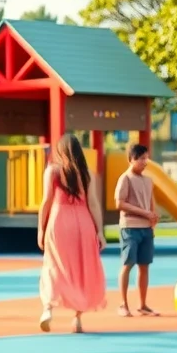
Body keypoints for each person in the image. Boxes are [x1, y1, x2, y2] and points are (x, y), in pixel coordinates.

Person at [37, 134, 108, 333]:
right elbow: (93, 203)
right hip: (83, 223)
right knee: (80, 268)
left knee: (53, 265)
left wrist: (41, 228)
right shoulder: (86, 174)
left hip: (60, 222)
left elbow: (46, 202)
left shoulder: (53, 171)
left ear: (60, 150)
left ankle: (48, 308)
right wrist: (99, 231)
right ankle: (77, 318)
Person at [115, 143, 158, 317]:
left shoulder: (148, 180)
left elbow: (151, 202)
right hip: (130, 228)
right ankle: (123, 304)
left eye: (146, 158)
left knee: (144, 266)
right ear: (131, 160)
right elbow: (119, 203)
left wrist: (153, 218)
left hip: (146, 229)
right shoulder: (125, 178)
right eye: (141, 159)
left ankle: (143, 305)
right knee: (128, 264)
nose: (145, 162)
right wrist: (144, 213)